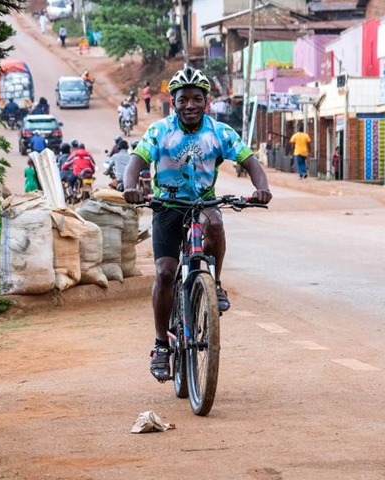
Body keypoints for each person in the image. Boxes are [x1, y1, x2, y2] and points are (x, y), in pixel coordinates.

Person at [122, 66, 273, 382]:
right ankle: (162, 344)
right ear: (173, 103)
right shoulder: (159, 131)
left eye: (196, 99)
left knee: (215, 225)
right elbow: (136, 162)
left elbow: (250, 162)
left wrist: (262, 188)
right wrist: (131, 186)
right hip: (166, 206)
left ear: (207, 102)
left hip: (204, 203)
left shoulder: (220, 132)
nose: (189, 105)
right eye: (183, 99)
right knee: (164, 273)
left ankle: (213, 283)